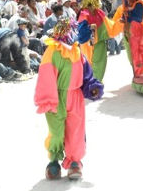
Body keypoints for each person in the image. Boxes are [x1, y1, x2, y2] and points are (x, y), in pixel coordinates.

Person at [34, 18, 103, 181]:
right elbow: (46, 77)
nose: (70, 34)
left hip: (75, 96)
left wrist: (92, 86)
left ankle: (74, 161)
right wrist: (48, 100)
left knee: (75, 131)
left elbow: (86, 74)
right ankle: (54, 161)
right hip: (56, 96)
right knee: (57, 132)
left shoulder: (77, 51)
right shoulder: (52, 51)